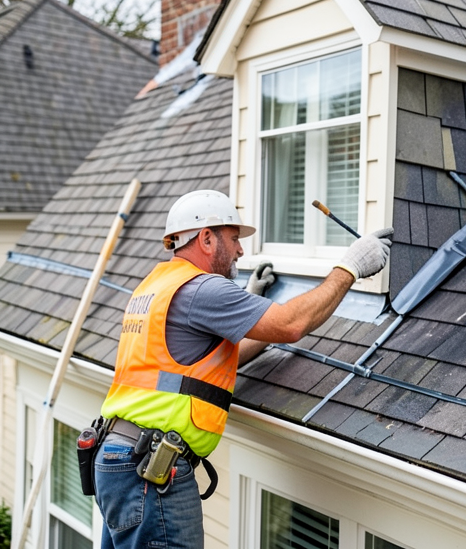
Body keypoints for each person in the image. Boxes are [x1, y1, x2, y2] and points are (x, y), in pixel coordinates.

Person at [91, 189, 392, 549]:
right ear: (205, 238)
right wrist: (350, 267)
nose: (240, 250)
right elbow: (291, 325)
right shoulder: (202, 289)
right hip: (150, 470)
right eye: (233, 239)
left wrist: (248, 321)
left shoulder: (156, 286)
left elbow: (196, 367)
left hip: (118, 458)